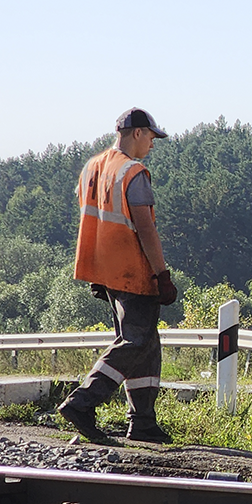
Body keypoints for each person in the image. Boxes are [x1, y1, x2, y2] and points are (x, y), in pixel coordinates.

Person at [58, 108, 178, 444]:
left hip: (106, 271)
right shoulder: (133, 172)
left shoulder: (93, 167)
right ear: (137, 132)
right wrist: (162, 274)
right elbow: (144, 227)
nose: (152, 145)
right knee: (136, 341)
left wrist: (100, 271)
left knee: (145, 343)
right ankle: (83, 402)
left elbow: (94, 218)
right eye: (151, 138)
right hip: (133, 270)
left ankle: (142, 422)